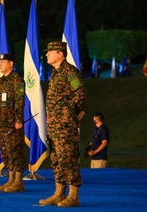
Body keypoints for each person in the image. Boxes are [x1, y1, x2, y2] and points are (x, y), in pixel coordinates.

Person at [39, 41, 86, 207]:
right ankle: (59, 193)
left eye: (50, 52)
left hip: (65, 125)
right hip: (54, 125)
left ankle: (73, 196)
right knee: (56, 159)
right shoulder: (55, 72)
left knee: (68, 158)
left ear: (60, 53)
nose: (47, 54)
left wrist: (71, 112)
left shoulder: (69, 72)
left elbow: (80, 93)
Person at [0, 53, 26, 193]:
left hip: (12, 122)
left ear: (11, 64)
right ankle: (11, 179)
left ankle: (18, 181)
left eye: (3, 62)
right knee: (5, 152)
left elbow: (19, 101)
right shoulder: (0, 81)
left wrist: (18, 120)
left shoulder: (17, 80)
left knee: (15, 151)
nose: (0, 64)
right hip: (1, 122)